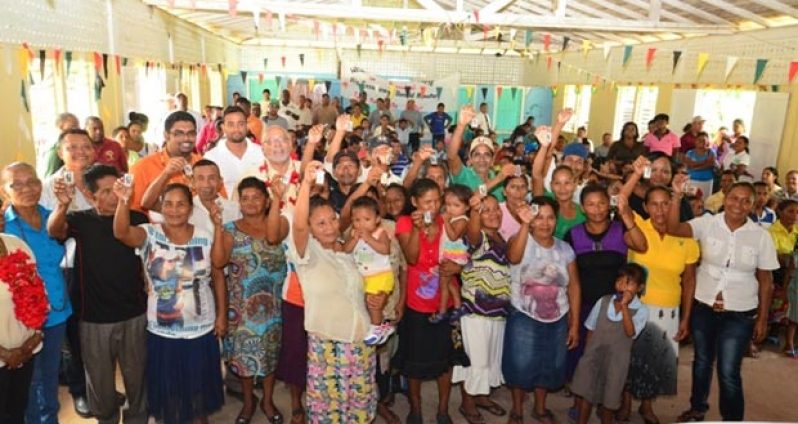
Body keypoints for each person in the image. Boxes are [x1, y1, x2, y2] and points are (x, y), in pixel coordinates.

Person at [666, 176, 779, 422]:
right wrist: (676, 195)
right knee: (702, 362)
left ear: (753, 205)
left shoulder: (761, 236)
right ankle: (697, 408)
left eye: (746, 201)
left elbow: (766, 281)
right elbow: (673, 228)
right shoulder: (707, 223)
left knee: (728, 370)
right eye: (734, 198)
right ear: (725, 197)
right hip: (704, 307)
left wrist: (762, 319)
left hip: (740, 313)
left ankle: (732, 419)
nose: (738, 205)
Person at [113, 182, 226, 423]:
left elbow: (218, 268)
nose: (174, 210)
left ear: (190, 208)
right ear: (161, 207)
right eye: (168, 204)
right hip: (163, 329)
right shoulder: (149, 233)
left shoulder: (205, 237)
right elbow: (121, 233)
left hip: (201, 328)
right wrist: (123, 201)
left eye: (181, 204)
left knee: (198, 391)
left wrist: (222, 316)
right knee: (170, 391)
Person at [47, 164, 148, 424]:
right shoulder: (81, 220)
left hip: (134, 313)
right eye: (106, 191)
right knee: (100, 383)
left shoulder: (137, 219)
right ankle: (107, 419)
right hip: (93, 318)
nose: (114, 196)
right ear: (92, 196)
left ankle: (137, 417)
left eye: (117, 188)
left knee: (138, 378)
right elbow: (54, 231)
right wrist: (62, 205)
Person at [289, 161, 380, 422]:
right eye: (320, 223)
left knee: (360, 407)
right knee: (330, 410)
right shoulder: (307, 254)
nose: (329, 227)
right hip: (329, 346)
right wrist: (306, 184)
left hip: (362, 341)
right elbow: (298, 226)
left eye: (332, 219)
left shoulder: (347, 249)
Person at [617, 185, 699, 424]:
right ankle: (625, 403)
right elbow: (621, 199)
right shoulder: (638, 227)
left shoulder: (686, 240)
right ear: (645, 207)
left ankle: (647, 406)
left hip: (668, 310)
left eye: (666, 203)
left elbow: (690, 281)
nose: (660, 209)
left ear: (674, 205)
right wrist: (636, 173)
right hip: (635, 307)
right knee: (630, 359)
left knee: (657, 361)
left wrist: (685, 318)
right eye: (654, 203)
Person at [211, 176, 288, 423]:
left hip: (273, 308)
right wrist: (216, 227)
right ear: (239, 203)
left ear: (266, 201)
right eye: (245, 198)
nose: (251, 202)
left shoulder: (280, 222)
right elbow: (219, 263)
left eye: (257, 197)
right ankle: (247, 402)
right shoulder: (231, 229)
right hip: (242, 309)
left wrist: (278, 199)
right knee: (244, 359)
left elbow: (274, 238)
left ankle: (267, 399)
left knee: (270, 356)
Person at [2, 162, 72, 424]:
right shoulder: (3, 227)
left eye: (31, 181)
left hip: (56, 311)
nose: (26, 189)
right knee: (29, 384)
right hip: (21, 320)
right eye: (16, 184)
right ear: (4, 191)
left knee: (50, 377)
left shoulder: (50, 216)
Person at [562, 184, 647, 392]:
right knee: (583, 358)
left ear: (609, 204)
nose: (597, 209)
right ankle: (581, 401)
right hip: (584, 306)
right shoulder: (572, 235)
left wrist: (625, 215)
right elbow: (568, 279)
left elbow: (642, 245)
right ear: (582, 208)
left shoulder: (620, 230)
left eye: (601, 203)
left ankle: (605, 404)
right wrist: (571, 315)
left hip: (615, 308)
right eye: (590, 204)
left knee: (612, 359)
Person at [504, 196, 580, 424]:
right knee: (520, 363)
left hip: (558, 316)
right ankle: (517, 410)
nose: (545, 223)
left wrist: (574, 323)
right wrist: (524, 223)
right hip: (524, 315)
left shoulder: (565, 249)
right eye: (539, 218)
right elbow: (513, 257)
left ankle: (540, 408)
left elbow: (574, 286)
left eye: (550, 218)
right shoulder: (519, 240)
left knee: (549, 365)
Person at [396, 178, 460, 424]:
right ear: (414, 202)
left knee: (445, 361)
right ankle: (416, 410)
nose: (433, 207)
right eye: (427, 202)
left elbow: (460, 251)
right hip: (417, 304)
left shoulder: (446, 221)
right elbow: (411, 259)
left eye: (436, 201)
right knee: (415, 361)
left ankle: (443, 410)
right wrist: (417, 229)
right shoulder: (404, 223)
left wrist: (456, 266)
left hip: (445, 302)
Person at [452, 192, 512, 424]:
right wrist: (475, 209)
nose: (493, 213)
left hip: (497, 312)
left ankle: (481, 397)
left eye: (496, 208)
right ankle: (468, 404)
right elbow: (474, 230)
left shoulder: (502, 238)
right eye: (485, 210)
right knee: (475, 360)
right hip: (475, 311)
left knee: (489, 358)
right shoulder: (476, 238)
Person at [572, 263, 649, 424]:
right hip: (594, 357)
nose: (622, 285)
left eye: (629, 282)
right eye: (619, 280)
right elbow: (591, 328)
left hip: (617, 362)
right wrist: (586, 355)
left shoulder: (641, 310)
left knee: (610, 400)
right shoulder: (603, 301)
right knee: (587, 395)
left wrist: (624, 307)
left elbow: (630, 332)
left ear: (640, 288)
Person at [0, 232, 45, 424]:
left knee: (18, 411)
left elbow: (38, 294)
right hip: (4, 357)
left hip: (26, 351)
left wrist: (33, 338)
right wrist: (5, 354)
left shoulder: (16, 243)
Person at [343, 196, 396, 345]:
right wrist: (354, 240)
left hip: (380, 275)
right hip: (366, 277)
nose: (361, 224)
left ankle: (376, 327)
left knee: (373, 304)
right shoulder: (354, 234)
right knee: (367, 303)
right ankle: (383, 326)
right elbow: (346, 250)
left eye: (367, 219)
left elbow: (385, 250)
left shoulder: (380, 233)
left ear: (377, 219)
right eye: (357, 220)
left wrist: (369, 239)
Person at [129, 111, 202, 211]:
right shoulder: (142, 167)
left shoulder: (204, 164)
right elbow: (135, 213)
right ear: (166, 135)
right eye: (179, 134)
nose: (186, 138)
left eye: (191, 133)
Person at [448, 105, 515, 202]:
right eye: (477, 154)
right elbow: (451, 156)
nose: (482, 159)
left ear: (492, 160)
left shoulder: (501, 181)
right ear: (470, 159)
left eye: (487, 154)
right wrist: (461, 125)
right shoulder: (463, 174)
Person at [430, 184, 472, 323]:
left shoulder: (462, 220)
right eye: (448, 205)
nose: (451, 209)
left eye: (456, 205)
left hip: (453, 255)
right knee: (449, 283)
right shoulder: (455, 218)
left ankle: (442, 312)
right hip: (447, 253)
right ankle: (459, 305)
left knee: (443, 283)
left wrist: (446, 221)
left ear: (466, 207)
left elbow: (453, 236)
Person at [204, 106, 266, 197]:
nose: (236, 129)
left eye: (240, 124)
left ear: (247, 126)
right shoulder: (211, 157)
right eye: (231, 124)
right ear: (223, 127)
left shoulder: (262, 153)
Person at [40, 129, 96, 211]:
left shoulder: (106, 180)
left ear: (93, 151)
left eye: (86, 147)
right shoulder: (48, 187)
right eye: (73, 147)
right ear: (60, 153)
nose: (81, 151)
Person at [775, 200, 798, 356]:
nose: (795, 215)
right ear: (780, 212)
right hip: (781, 275)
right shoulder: (771, 231)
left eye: (797, 212)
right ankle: (788, 342)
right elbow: (781, 262)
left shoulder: (796, 230)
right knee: (794, 314)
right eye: (791, 211)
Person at [43, 112, 80, 177]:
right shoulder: (54, 152)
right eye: (73, 127)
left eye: (78, 127)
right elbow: (50, 179)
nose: (77, 130)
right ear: (60, 129)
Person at [683, 131, 716, 200]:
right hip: (691, 181)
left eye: (704, 140)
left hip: (707, 181)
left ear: (707, 142)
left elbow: (709, 165)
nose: (701, 142)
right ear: (695, 141)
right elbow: (690, 164)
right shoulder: (690, 153)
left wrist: (695, 168)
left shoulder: (711, 152)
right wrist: (704, 162)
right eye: (699, 140)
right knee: (690, 201)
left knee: (705, 201)